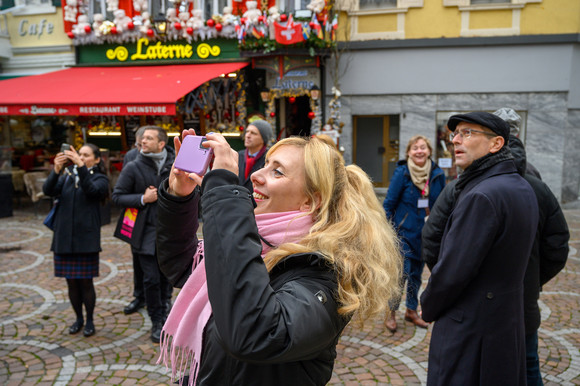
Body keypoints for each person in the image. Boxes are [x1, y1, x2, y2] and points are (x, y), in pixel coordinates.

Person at [155, 132, 402, 385]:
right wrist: (179, 197)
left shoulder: (325, 274)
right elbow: (183, 265)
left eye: (278, 172)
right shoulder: (255, 240)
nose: (255, 176)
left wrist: (224, 191)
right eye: (265, 165)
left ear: (310, 202)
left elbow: (255, 333)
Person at [422, 129, 569, 386]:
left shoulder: (479, 193)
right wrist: (525, 281)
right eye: (455, 134)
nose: (455, 140)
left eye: (467, 133)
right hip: (515, 308)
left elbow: (441, 253)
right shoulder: (526, 186)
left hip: (475, 315)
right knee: (525, 367)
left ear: (496, 143)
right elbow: (556, 247)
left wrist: (436, 299)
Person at [112, 126, 174, 343]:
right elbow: (117, 197)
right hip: (144, 232)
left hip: (170, 231)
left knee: (168, 275)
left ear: (161, 143)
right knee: (151, 278)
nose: (143, 141)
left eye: (149, 138)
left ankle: (166, 307)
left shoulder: (175, 164)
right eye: (143, 137)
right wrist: (142, 199)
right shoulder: (133, 166)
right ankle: (157, 321)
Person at [43, 143, 109, 337]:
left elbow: (93, 191)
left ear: (96, 160)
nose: (81, 157)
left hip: (86, 238)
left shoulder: (100, 178)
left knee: (86, 283)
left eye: (86, 155)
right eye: (79, 154)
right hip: (64, 237)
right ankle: (78, 318)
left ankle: (89, 320)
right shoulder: (67, 176)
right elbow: (48, 190)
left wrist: (81, 166)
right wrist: (56, 170)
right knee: (71, 282)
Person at [382, 135, 445, 332]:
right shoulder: (402, 172)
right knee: (401, 275)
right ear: (408, 152)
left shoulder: (437, 174)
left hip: (425, 235)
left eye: (423, 148)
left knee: (417, 275)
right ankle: (391, 312)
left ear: (429, 152)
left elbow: (443, 205)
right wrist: (386, 232)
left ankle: (411, 311)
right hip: (402, 233)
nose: (419, 151)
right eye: (415, 148)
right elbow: (389, 204)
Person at [120, 125, 146, 315]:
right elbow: (123, 186)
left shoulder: (165, 156)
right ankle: (139, 295)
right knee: (136, 257)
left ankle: (162, 298)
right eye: (141, 139)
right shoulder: (130, 157)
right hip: (134, 212)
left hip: (155, 214)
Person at [237, 119, 273, 192]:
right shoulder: (237, 155)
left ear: (263, 139)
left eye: (253, 133)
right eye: (247, 132)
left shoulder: (270, 158)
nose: (248, 135)